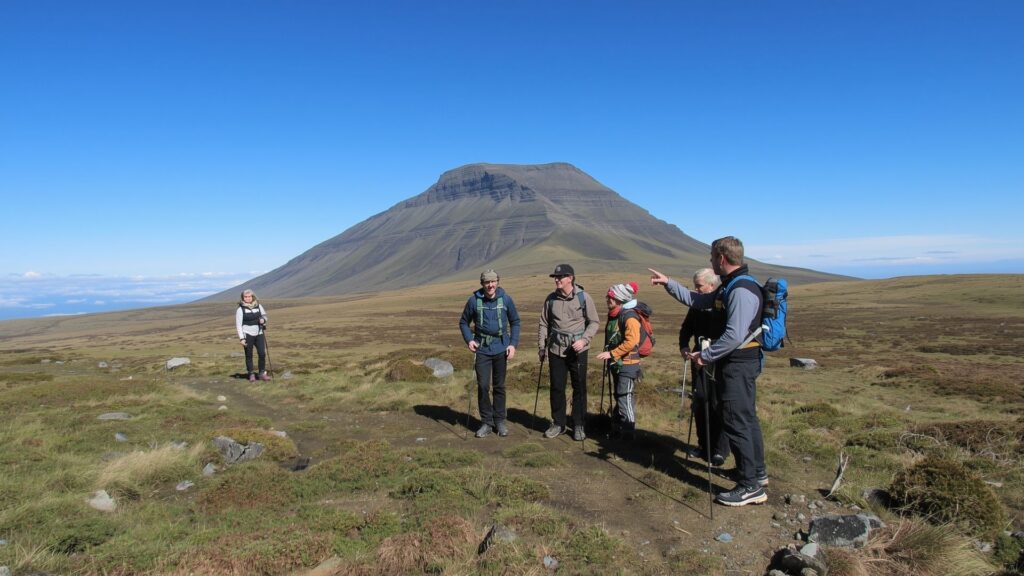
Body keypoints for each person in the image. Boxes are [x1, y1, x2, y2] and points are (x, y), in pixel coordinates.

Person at [650, 236, 768, 507]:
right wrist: (669, 283)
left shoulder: (740, 289)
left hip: (738, 364)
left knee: (736, 420)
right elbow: (699, 301)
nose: (711, 260)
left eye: (712, 256)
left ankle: (750, 485)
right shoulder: (731, 285)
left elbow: (734, 335)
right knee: (746, 418)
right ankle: (756, 474)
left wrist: (706, 355)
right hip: (737, 363)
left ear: (722, 258)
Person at [538, 264, 599, 441]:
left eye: (560, 277)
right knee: (557, 387)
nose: (557, 280)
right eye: (555, 277)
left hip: (578, 350)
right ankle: (559, 424)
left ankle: (579, 425)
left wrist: (584, 340)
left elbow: (594, 322)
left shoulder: (583, 298)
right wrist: (541, 347)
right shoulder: (550, 299)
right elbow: (543, 323)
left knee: (579, 387)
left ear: (570, 278)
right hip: (555, 349)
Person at [459, 269, 521, 438]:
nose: (490, 285)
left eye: (493, 282)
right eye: (487, 282)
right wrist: (469, 340)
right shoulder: (474, 301)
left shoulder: (506, 299)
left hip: (501, 348)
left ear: (497, 282)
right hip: (482, 349)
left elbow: (515, 322)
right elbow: (463, 322)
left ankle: (500, 421)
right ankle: (486, 422)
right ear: (482, 284)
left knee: (499, 386)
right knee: (483, 386)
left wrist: (513, 344)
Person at [678, 268, 728, 465]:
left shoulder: (723, 305)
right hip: (698, 358)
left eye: (699, 286)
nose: (696, 290)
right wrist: (683, 346)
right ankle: (703, 445)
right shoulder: (697, 306)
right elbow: (686, 328)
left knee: (718, 403)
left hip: (719, 359)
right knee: (699, 400)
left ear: (712, 285)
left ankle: (719, 450)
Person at [596, 282, 644, 440]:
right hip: (618, 363)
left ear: (619, 299)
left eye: (610, 297)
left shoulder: (629, 317)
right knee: (620, 396)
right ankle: (618, 429)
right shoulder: (616, 315)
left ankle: (629, 432)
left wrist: (612, 353)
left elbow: (631, 342)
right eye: (608, 296)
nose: (607, 299)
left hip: (628, 364)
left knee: (625, 397)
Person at [235, 289, 270, 382]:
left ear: (252, 297)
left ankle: (262, 373)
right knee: (249, 355)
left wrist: (263, 320)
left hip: (259, 333)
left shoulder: (259, 306)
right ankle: (251, 374)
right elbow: (238, 325)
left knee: (262, 353)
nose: (248, 298)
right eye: (245, 297)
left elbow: (265, 316)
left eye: (249, 296)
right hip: (247, 334)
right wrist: (241, 338)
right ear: (243, 298)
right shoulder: (240, 309)